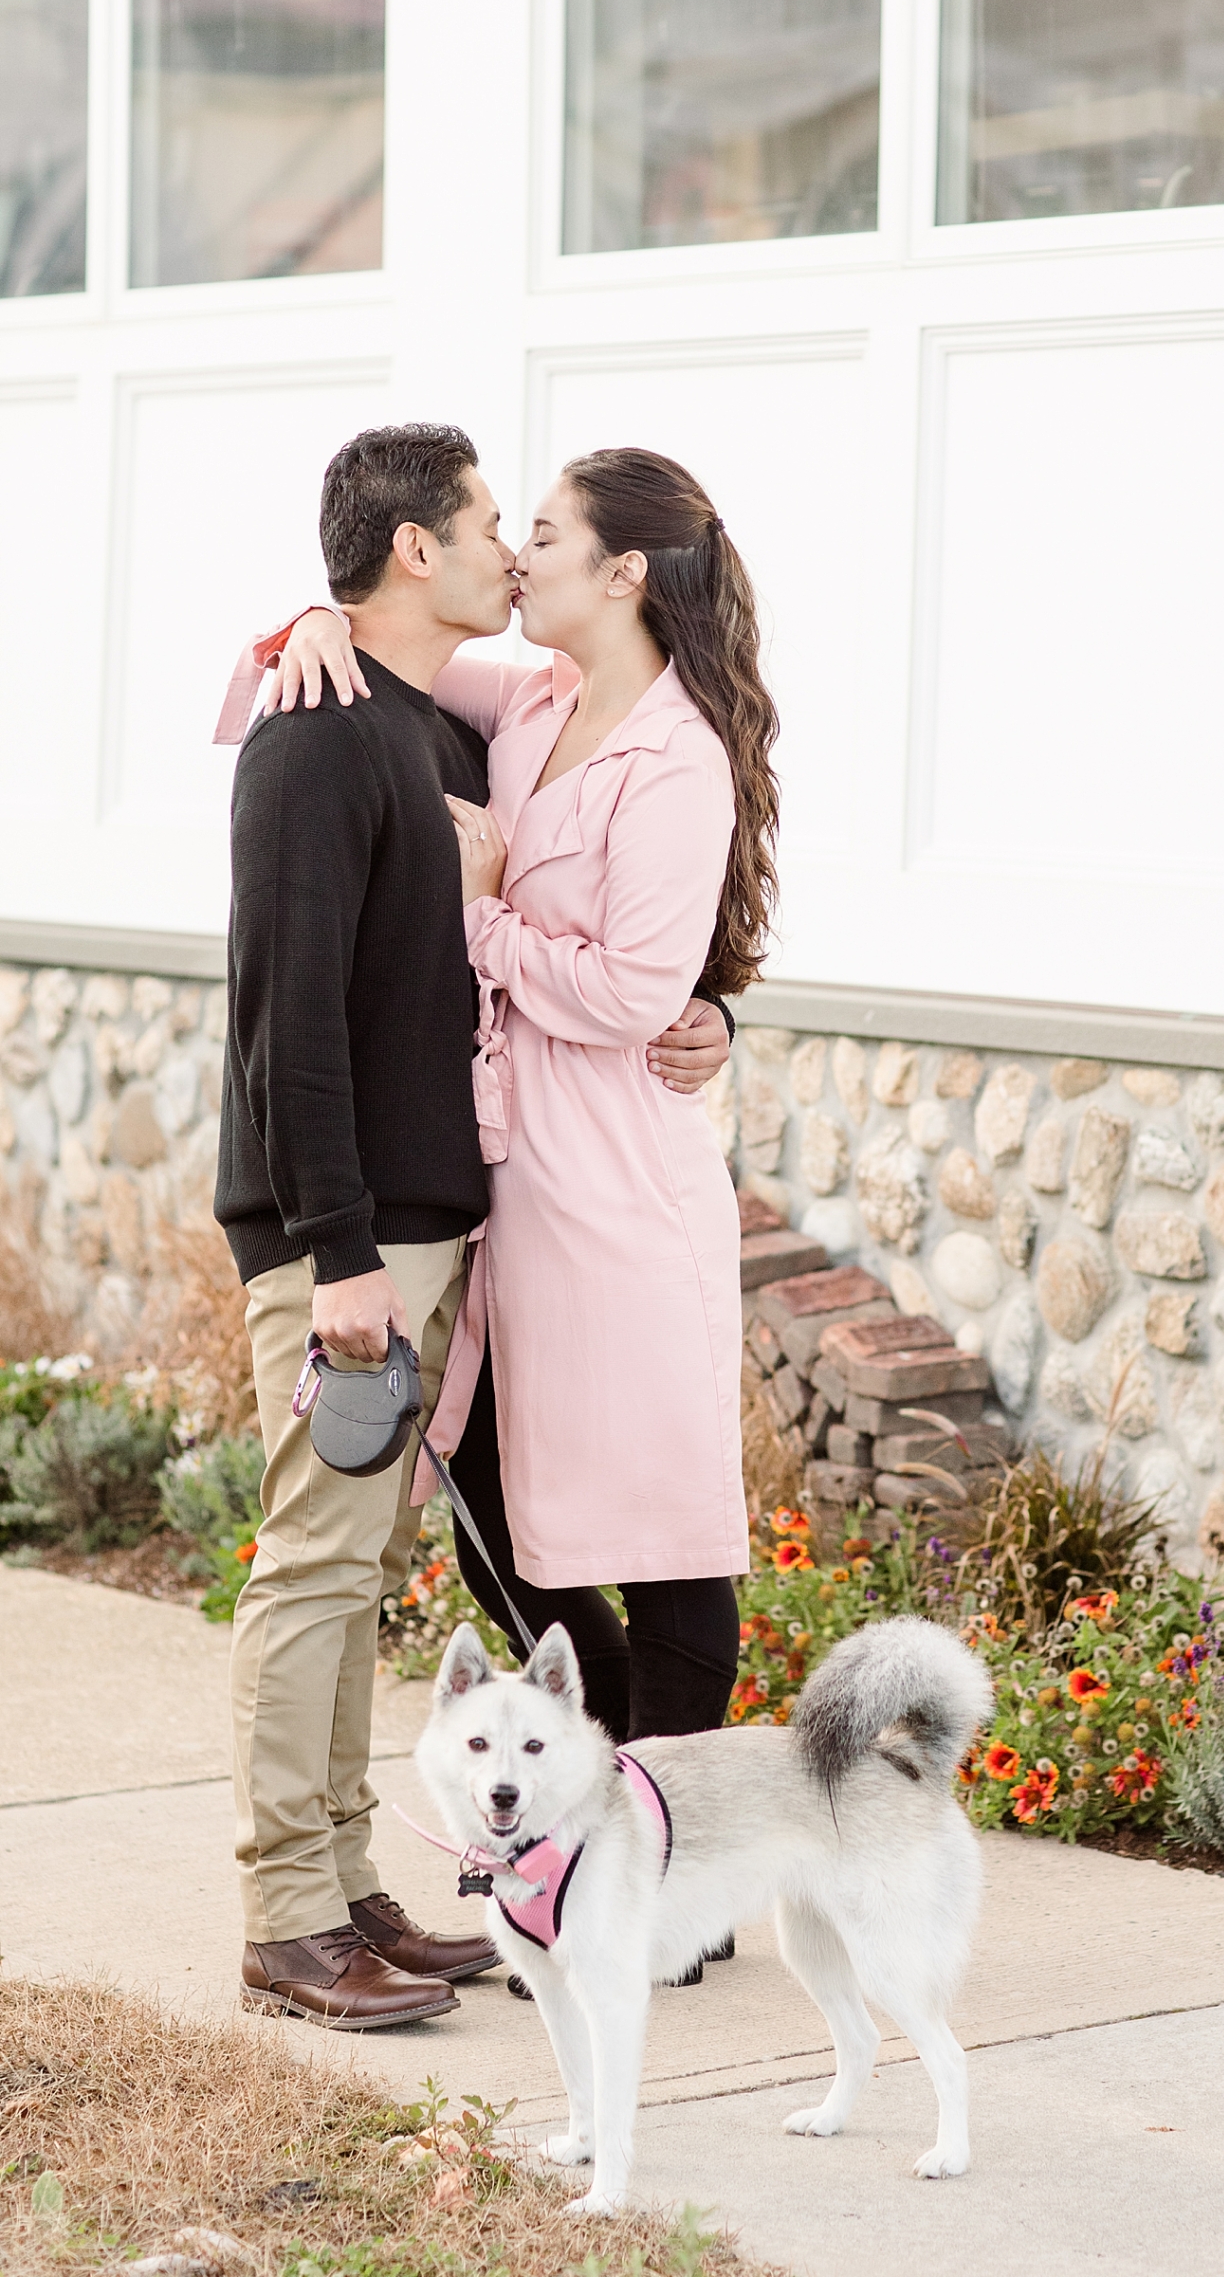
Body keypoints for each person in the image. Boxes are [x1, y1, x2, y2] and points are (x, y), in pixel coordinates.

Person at [216, 424, 730, 2031]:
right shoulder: (339, 726)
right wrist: (341, 1245)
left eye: (542, 529)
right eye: (496, 525)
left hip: (477, 1205)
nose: (518, 549)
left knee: (406, 1557)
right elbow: (286, 1016)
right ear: (416, 551)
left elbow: (626, 948)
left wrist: (696, 999)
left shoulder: (466, 723)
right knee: (334, 1562)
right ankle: (291, 1913)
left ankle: (374, 1890)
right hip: (365, 1229)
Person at [273, 448, 778, 1769]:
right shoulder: (533, 703)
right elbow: (384, 658)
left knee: (659, 1534)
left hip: (619, 1183)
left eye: (540, 537)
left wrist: (480, 918)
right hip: (515, 1180)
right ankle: (613, 1804)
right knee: (497, 1514)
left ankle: (664, 1860)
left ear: (621, 573)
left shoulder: (681, 758)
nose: (517, 556)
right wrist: (315, 619)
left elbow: (627, 995)